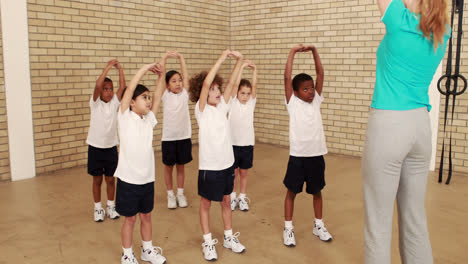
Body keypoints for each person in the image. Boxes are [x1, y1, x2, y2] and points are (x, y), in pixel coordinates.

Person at [363, 1, 450, 263]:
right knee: (415, 219)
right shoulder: (442, 31)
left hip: (389, 125)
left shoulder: (398, 20)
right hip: (420, 128)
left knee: (378, 222)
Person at [189, 50, 246, 261]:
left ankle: (229, 237)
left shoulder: (222, 106)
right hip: (209, 167)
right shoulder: (201, 109)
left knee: (225, 201)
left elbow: (231, 83)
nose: (217, 91)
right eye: (212, 89)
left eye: (217, 89)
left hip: (226, 165)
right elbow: (206, 84)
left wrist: (239, 62)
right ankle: (208, 242)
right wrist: (223, 57)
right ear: (202, 92)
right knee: (205, 204)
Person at [114, 61, 167, 264]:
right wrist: (144, 69)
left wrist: (161, 76)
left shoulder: (148, 120)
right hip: (128, 180)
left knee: (146, 216)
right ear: (132, 102)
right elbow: (128, 92)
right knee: (130, 219)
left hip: (147, 180)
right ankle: (127, 254)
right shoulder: (125, 118)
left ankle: (147, 250)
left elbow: (158, 96)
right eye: (143, 97)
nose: (148, 101)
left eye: (148, 97)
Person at [282, 44, 332, 247]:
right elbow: (287, 77)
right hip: (298, 157)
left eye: (311, 87)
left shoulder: (316, 100)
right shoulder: (292, 103)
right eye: (305, 89)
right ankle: (288, 228)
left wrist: (313, 51)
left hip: (316, 155)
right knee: (291, 193)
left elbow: (320, 73)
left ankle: (318, 225)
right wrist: (292, 52)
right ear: (295, 92)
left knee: (317, 192)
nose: (311, 91)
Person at [87, 59, 125, 222]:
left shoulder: (114, 104)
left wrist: (120, 69)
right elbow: (97, 85)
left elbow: (122, 87)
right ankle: (98, 208)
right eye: (105, 89)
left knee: (111, 179)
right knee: (97, 180)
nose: (109, 92)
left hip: (110, 148)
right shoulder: (95, 104)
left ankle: (111, 206)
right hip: (95, 147)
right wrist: (108, 67)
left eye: (111, 89)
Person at [160, 51, 192, 209]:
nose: (178, 83)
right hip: (169, 139)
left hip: (184, 137)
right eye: (174, 81)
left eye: (179, 80)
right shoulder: (165, 95)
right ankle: (170, 195)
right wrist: (164, 59)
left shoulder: (184, 94)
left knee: (181, 167)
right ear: (167, 85)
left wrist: (181, 58)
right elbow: (161, 79)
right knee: (168, 167)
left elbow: (186, 77)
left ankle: (180, 193)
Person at [228, 59, 258, 212]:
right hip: (233, 144)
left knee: (244, 173)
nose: (245, 96)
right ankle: (232, 197)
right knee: (233, 173)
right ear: (237, 93)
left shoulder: (251, 103)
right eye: (242, 93)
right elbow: (234, 84)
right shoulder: (233, 102)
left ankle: (242, 197)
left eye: (247, 93)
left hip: (247, 144)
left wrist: (254, 71)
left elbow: (255, 86)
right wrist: (241, 67)